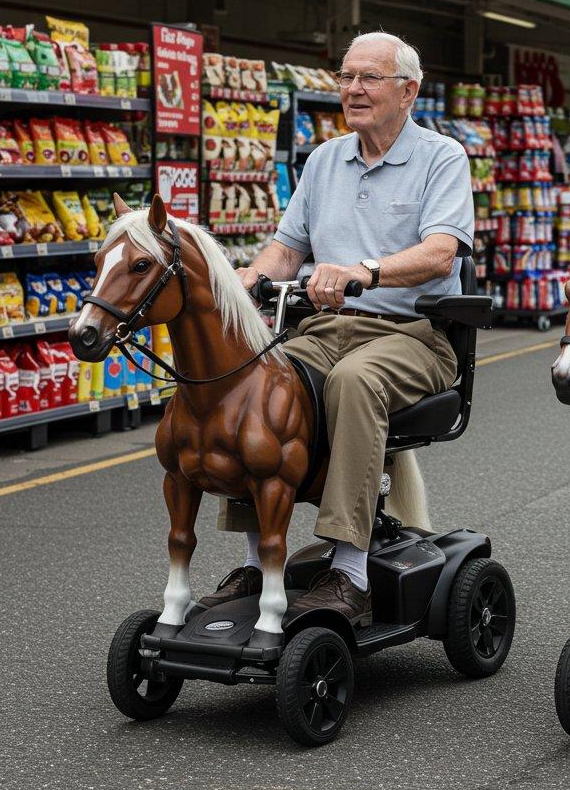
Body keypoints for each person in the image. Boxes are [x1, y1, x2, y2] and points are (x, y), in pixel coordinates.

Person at [200, 31, 473, 627]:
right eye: (346, 76)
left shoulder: (442, 157)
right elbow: (285, 250)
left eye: (369, 77)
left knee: (352, 382)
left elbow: (440, 254)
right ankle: (257, 558)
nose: (352, 88)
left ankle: (349, 573)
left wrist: (365, 271)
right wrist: (244, 278)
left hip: (414, 335)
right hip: (326, 329)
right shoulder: (324, 160)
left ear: (409, 90)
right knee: (256, 383)